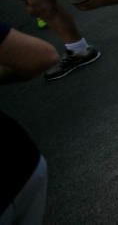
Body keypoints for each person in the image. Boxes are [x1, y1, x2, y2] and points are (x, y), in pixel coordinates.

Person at [0, 22, 59, 223]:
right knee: (40, 5)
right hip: (21, 164)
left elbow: (41, 57)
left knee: (85, 1)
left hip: (17, 168)